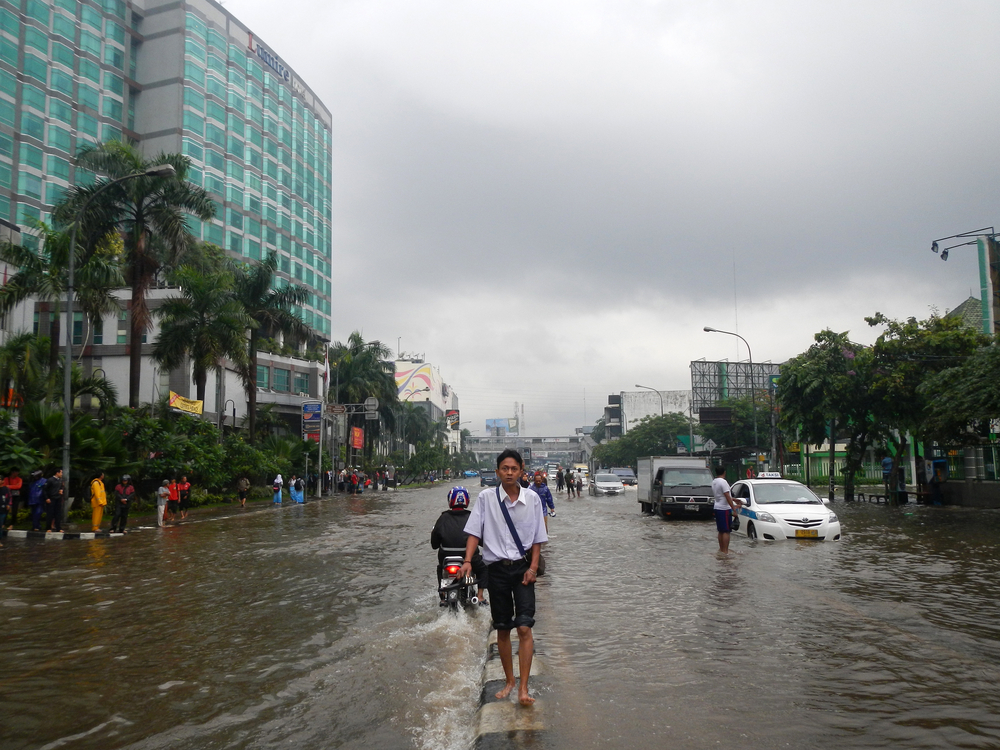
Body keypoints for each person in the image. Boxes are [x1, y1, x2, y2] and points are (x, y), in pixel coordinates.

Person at [461, 449, 547, 707]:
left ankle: (523, 687)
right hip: (496, 570)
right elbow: (474, 533)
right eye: (504, 468)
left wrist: (532, 569)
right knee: (502, 628)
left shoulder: (532, 499)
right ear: (498, 471)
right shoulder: (487, 498)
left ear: (521, 470)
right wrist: (467, 560)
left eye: (514, 468)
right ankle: (509, 680)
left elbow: (538, 539)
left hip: (522, 570)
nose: (509, 472)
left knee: (524, 626)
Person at [431, 486, 488, 604]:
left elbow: (434, 544)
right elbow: (482, 541)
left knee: (440, 568)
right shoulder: (472, 517)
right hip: (470, 558)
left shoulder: (442, 518)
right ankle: (480, 595)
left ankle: (442, 595)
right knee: (483, 568)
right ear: (467, 500)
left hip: (446, 558)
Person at [711, 465, 742, 553]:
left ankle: (721, 550)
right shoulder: (723, 482)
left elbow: (721, 496)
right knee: (726, 531)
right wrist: (734, 510)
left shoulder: (714, 482)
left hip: (717, 507)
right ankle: (725, 551)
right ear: (724, 472)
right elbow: (727, 496)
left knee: (721, 530)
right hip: (724, 509)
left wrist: (734, 499)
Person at [45, 468, 64, 532]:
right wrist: (46, 498)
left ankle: (58, 527)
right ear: (57, 473)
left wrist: (61, 490)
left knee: (58, 514)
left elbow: (61, 487)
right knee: (50, 514)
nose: (62, 474)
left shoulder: (60, 480)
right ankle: (48, 528)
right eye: (61, 472)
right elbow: (45, 490)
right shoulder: (50, 480)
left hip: (58, 498)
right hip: (51, 498)